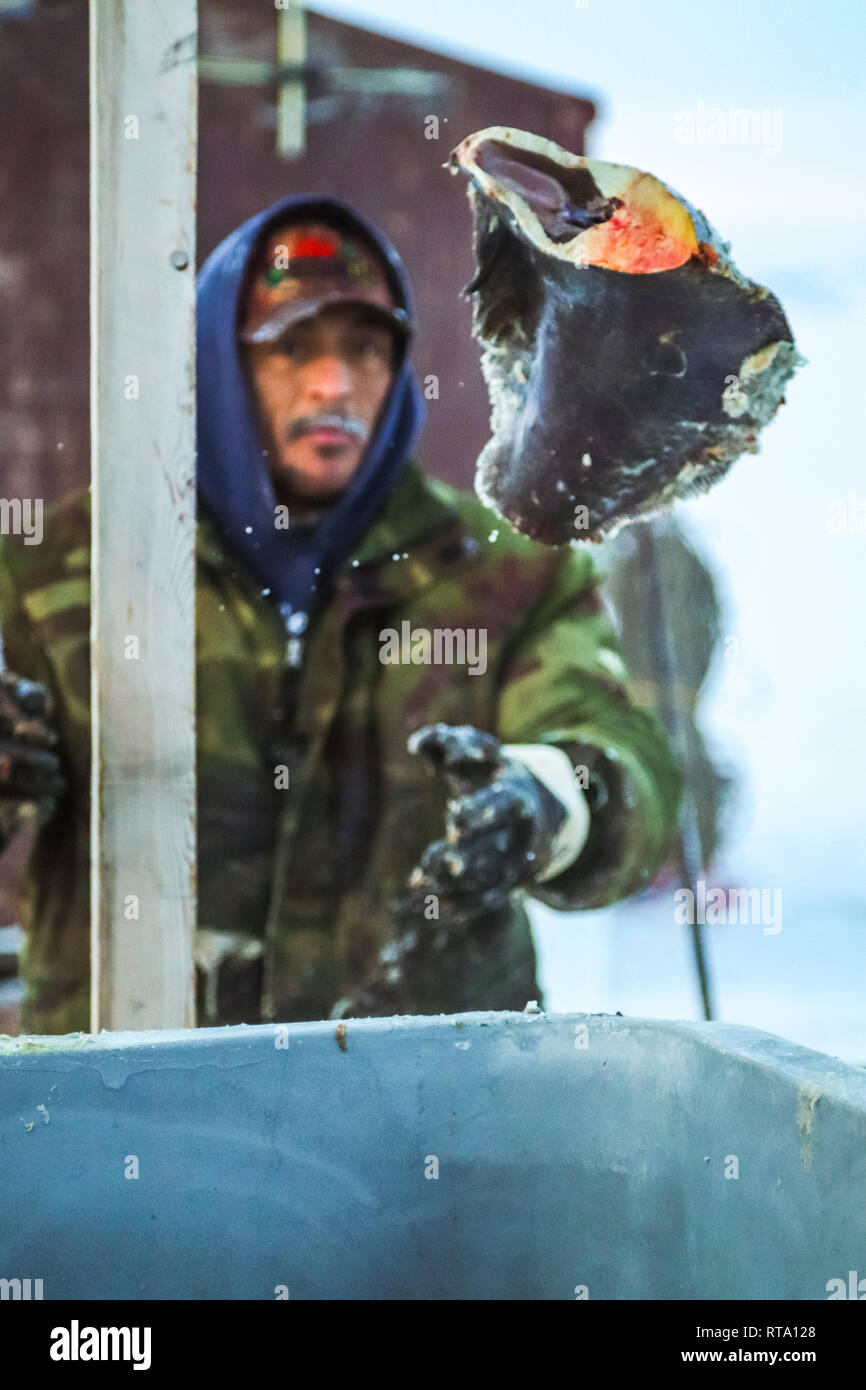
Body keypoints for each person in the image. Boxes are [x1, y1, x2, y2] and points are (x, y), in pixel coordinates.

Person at [0, 194, 681, 1035]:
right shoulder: (65, 568)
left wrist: (543, 803)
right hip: (130, 1112)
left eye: (365, 348)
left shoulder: (508, 573)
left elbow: (626, 767)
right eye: (292, 348)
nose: (333, 384)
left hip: (430, 1118)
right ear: (215, 364)